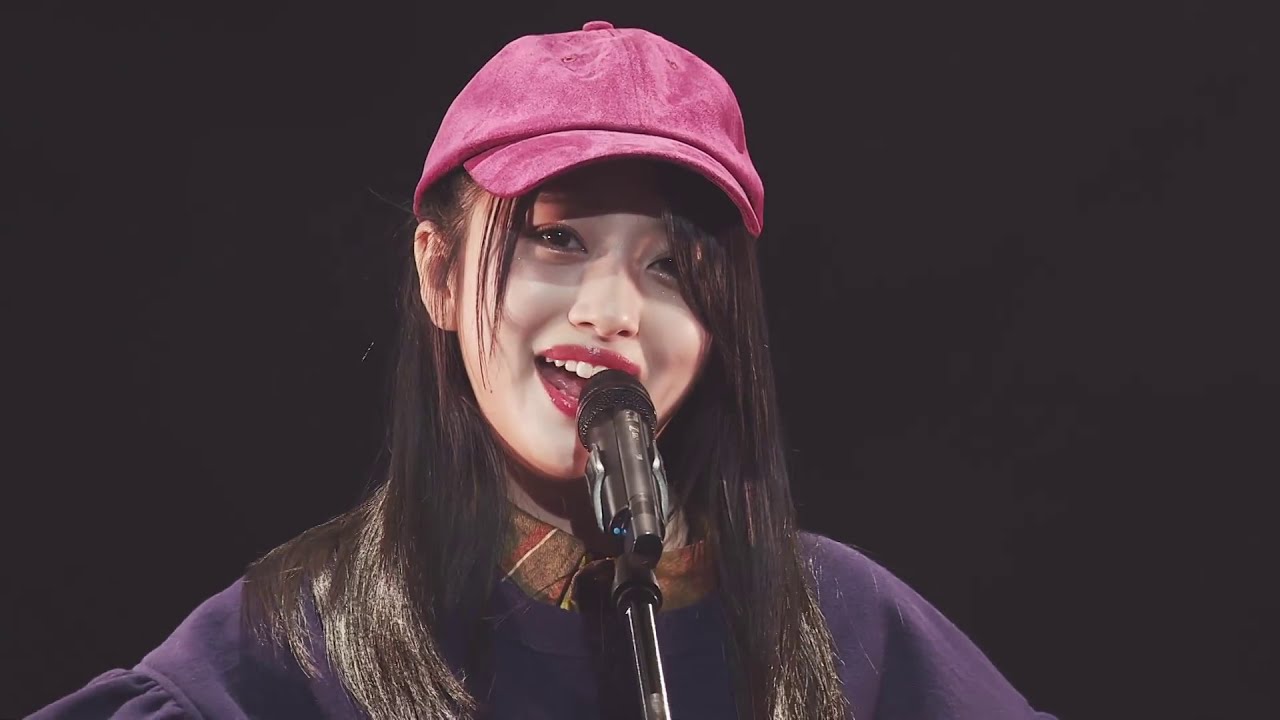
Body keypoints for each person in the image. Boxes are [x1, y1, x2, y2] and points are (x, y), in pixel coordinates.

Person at [29, 20, 1056, 720]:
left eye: (671, 268)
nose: (613, 311)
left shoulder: (838, 623)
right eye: (557, 240)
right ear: (439, 272)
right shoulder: (295, 642)